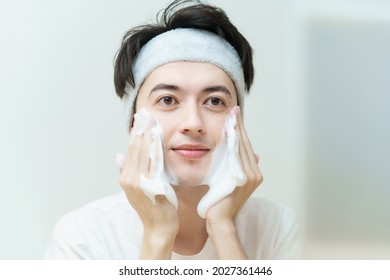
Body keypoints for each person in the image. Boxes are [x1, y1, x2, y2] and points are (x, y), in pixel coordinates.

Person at [44, 0, 300, 260]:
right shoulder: (82, 238)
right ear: (134, 122)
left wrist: (223, 227)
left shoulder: (277, 228)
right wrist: (158, 236)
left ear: (238, 123)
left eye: (214, 101)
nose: (193, 123)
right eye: (167, 100)